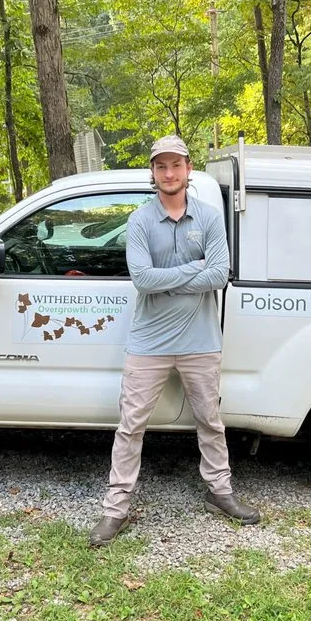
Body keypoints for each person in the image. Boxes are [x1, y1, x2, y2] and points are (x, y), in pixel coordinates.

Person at [89, 134, 261, 547]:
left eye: (176, 165)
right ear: (153, 172)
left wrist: (174, 278)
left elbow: (219, 274)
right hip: (148, 342)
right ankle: (116, 509)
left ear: (188, 169)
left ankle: (220, 492)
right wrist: (195, 269)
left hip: (201, 339)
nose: (169, 173)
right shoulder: (140, 221)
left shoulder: (209, 218)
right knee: (130, 426)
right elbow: (142, 279)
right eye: (161, 166)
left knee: (210, 421)